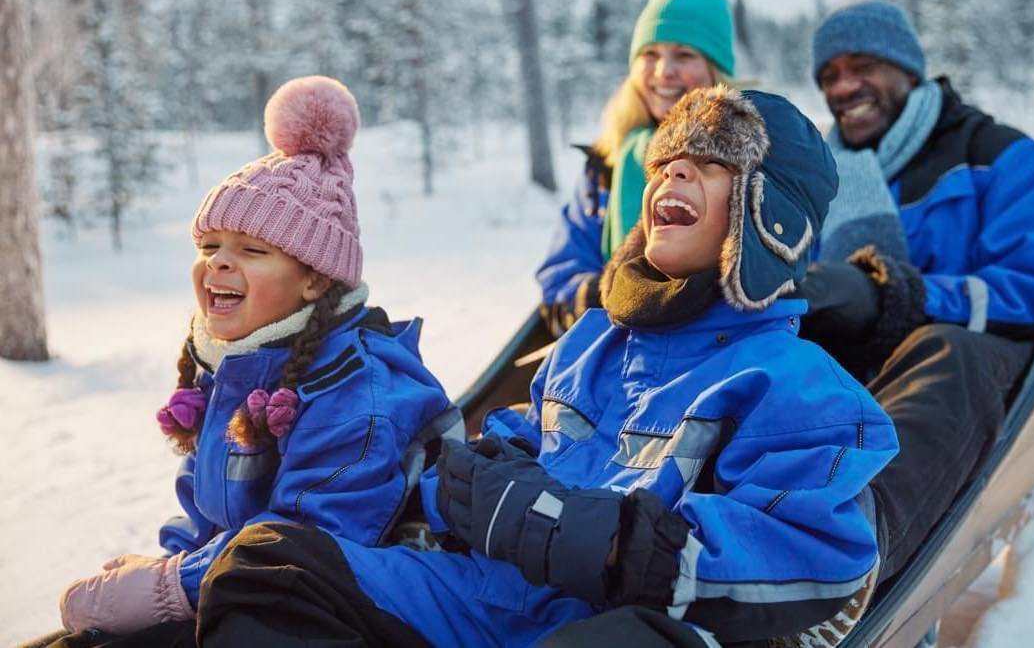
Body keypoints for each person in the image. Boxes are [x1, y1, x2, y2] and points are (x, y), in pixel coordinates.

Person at [194, 86, 901, 647]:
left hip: (620, 624)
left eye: (712, 164)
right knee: (269, 565)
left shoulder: (796, 384)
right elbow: (516, 445)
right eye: (666, 163)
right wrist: (472, 480)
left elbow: (815, 559)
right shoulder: (589, 345)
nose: (673, 172)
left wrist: (591, 534)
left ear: (767, 215)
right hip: (490, 600)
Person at [53, 77, 462, 642]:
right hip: (248, 590)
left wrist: (167, 587)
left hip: (361, 612)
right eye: (208, 246)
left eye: (251, 250)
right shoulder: (236, 365)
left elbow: (308, 545)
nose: (218, 263)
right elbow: (205, 508)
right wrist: (159, 571)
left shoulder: (359, 394)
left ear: (315, 279)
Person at [798, 0, 1034, 580]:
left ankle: (850, 562)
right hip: (866, 368)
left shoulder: (999, 156)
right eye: (828, 75)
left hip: (981, 362)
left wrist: (900, 297)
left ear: (906, 67)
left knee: (943, 350)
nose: (843, 86)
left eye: (861, 66)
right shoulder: (821, 177)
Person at [537, 0, 736, 336]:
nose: (663, 72)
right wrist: (609, 293)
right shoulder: (606, 166)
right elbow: (560, 274)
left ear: (716, 71)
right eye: (650, 55)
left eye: (684, 55)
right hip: (614, 346)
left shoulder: (750, 159)